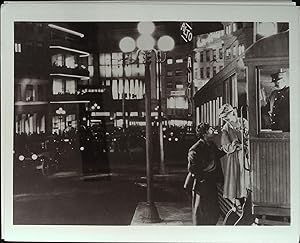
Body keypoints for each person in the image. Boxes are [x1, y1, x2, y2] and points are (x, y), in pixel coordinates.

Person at [187, 122, 224, 225]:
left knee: (213, 211)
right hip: (201, 185)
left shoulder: (211, 145)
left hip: (210, 183)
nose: (213, 131)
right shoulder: (195, 149)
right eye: (211, 130)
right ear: (205, 134)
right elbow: (192, 169)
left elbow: (218, 154)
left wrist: (230, 148)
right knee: (201, 213)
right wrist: (202, 179)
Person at [219, 103, 250, 211]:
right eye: (224, 118)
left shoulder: (243, 122)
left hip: (246, 154)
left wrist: (245, 141)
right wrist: (233, 146)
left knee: (246, 177)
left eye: (227, 117)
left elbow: (250, 136)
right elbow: (224, 145)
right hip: (234, 156)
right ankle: (237, 201)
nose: (226, 120)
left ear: (232, 113)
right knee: (236, 178)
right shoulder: (226, 128)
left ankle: (247, 200)